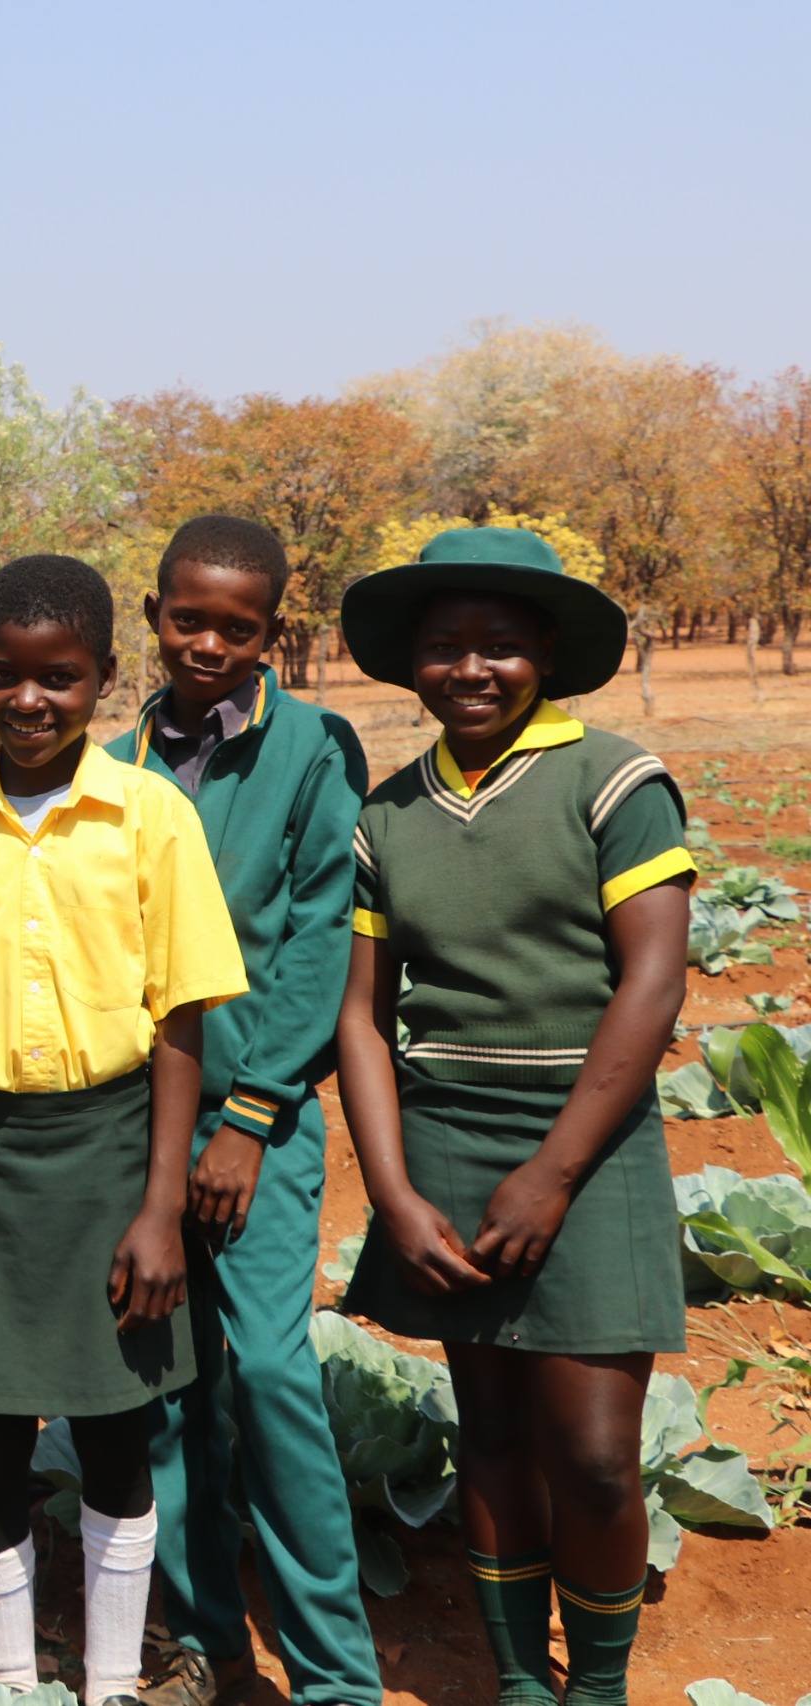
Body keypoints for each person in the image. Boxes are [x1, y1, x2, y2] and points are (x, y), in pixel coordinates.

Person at [0, 555, 246, 1706]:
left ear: (103, 679)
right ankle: (16, 1679)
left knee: (118, 1436)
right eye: (1, 676)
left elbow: (178, 1023)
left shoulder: (148, 816)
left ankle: (112, 1682)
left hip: (111, 1155)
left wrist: (160, 1205)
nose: (27, 700)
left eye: (59, 679)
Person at [334, 528, 692, 1706]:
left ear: (544, 649)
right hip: (440, 1141)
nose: (469, 670)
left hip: (584, 1146)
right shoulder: (387, 815)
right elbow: (363, 1019)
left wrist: (550, 1172)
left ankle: (594, 1683)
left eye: (497, 645)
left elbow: (650, 984)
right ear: (413, 665)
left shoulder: (614, 779)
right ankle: (514, 1678)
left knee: (589, 1451)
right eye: (443, 648)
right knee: (485, 1428)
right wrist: (392, 1191)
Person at [102, 517, 380, 1706]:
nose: (209, 642)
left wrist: (253, 1111)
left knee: (267, 1376)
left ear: (275, 628)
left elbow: (321, 929)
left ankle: (333, 1675)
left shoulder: (313, 746)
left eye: (239, 625)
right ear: (152, 612)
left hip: (255, 1129)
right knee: (164, 1388)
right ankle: (206, 1644)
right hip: (135, 1132)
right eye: (187, 617)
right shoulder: (111, 761)